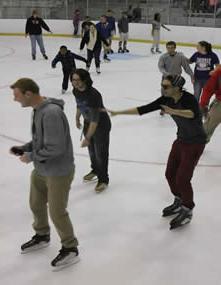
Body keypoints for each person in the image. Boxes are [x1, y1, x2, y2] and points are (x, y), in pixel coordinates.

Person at [108, 75, 206, 230]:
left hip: (195, 143)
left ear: (177, 87)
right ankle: (179, 199)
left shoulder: (188, 98)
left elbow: (192, 113)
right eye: (162, 85)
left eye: (166, 86)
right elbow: (144, 109)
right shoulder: (165, 99)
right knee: (170, 174)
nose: (163, 88)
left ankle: (187, 209)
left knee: (182, 178)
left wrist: (173, 111)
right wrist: (119, 112)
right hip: (180, 140)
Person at [9, 78, 79, 268]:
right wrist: (24, 148)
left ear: (28, 94)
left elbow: (55, 148)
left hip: (58, 171)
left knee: (57, 211)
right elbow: (40, 140)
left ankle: (70, 248)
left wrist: (31, 156)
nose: (15, 100)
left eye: (17, 95)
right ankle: (42, 235)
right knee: (36, 204)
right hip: (42, 169)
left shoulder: (51, 113)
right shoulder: (37, 110)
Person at [72, 69, 111, 193]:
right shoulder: (76, 91)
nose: (75, 83)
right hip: (88, 122)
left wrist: (87, 138)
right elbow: (79, 104)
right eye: (73, 80)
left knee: (101, 153)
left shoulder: (93, 95)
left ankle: (103, 179)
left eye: (78, 80)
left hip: (101, 124)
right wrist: (77, 117)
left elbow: (95, 120)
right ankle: (95, 169)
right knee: (92, 151)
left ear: (85, 79)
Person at [200, 66, 221, 142]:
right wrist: (203, 104)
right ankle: (197, 143)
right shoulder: (218, 73)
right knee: (209, 124)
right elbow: (208, 89)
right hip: (220, 103)